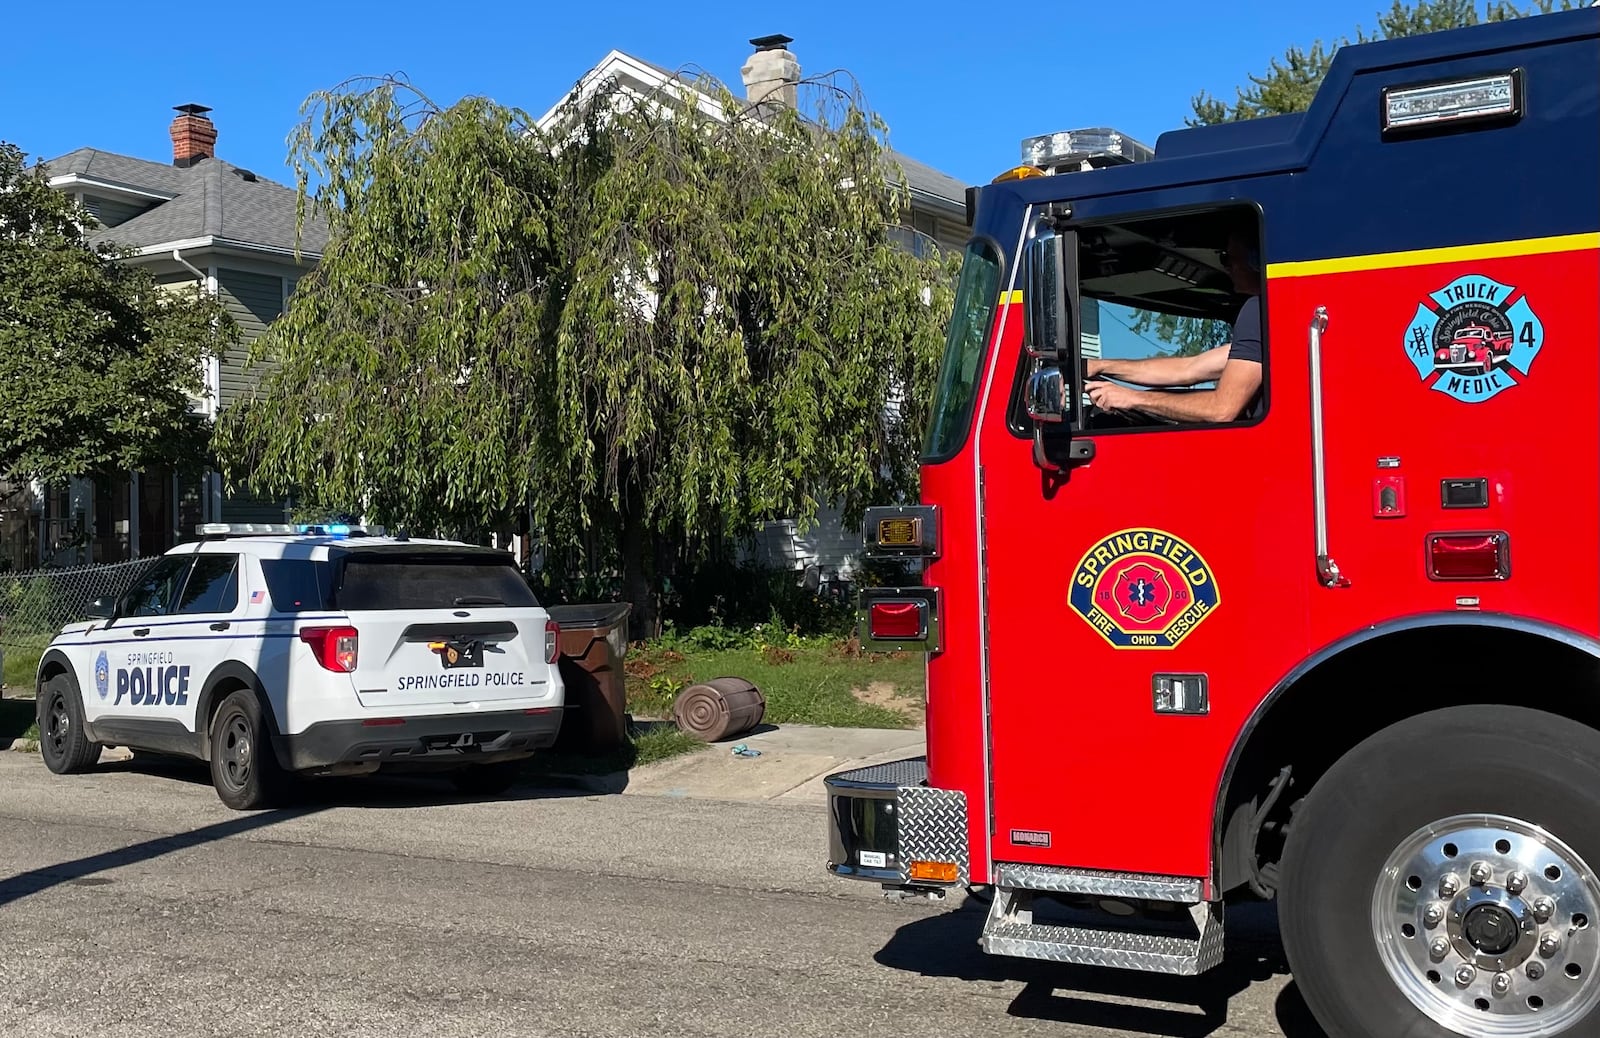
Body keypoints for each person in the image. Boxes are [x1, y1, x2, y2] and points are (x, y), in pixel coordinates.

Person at [1083, 226, 1264, 424]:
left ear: (1255, 260)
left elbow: (1222, 408)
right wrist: (1098, 366)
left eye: (1227, 257)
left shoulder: (1258, 310)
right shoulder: (1268, 320)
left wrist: (1133, 398)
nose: (1226, 266)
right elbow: (1188, 368)